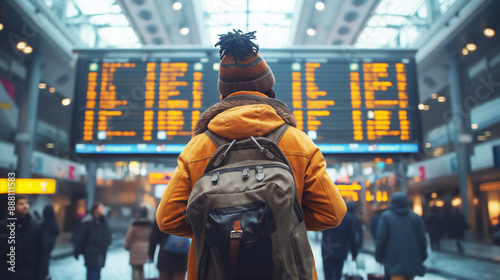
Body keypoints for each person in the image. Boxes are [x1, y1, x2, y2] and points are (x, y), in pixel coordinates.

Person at [155, 29, 346, 280]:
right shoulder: (299, 143)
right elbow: (331, 213)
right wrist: (276, 223)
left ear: (223, 96)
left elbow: (167, 219)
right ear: (269, 92)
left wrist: (221, 227)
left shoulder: (198, 148)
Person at [375, 192, 427, 280]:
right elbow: (422, 239)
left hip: (393, 260)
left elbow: (381, 239)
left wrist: (379, 257)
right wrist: (422, 256)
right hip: (412, 260)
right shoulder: (415, 217)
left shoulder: (386, 217)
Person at [0, 195, 45, 280]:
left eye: (27, 203)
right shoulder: (3, 226)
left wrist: (42, 275)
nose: (25, 206)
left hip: (30, 274)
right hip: (7, 274)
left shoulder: (36, 226)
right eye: (21, 204)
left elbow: (42, 253)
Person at [73, 202, 112, 280]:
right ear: (94, 210)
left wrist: (106, 243)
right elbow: (80, 238)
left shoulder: (103, 222)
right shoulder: (87, 222)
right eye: (100, 208)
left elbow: (108, 236)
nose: (102, 210)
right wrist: (77, 251)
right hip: (90, 252)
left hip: (101, 252)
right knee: (91, 273)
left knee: (97, 274)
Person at [321, 206, 358, 280]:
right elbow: (352, 238)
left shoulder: (326, 216)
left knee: (328, 276)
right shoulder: (348, 218)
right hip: (341, 251)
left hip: (327, 250)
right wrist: (354, 254)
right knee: (338, 275)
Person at [125, 207, 152, 280]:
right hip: (145, 249)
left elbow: (129, 237)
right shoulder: (149, 225)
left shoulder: (134, 224)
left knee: (134, 268)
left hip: (134, 249)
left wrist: (126, 247)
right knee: (141, 268)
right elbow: (151, 238)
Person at [41, 204, 60, 280]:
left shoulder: (43, 221)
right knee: (46, 259)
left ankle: (45, 274)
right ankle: (46, 274)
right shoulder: (53, 221)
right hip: (50, 243)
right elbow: (57, 231)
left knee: (44, 259)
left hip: (45, 243)